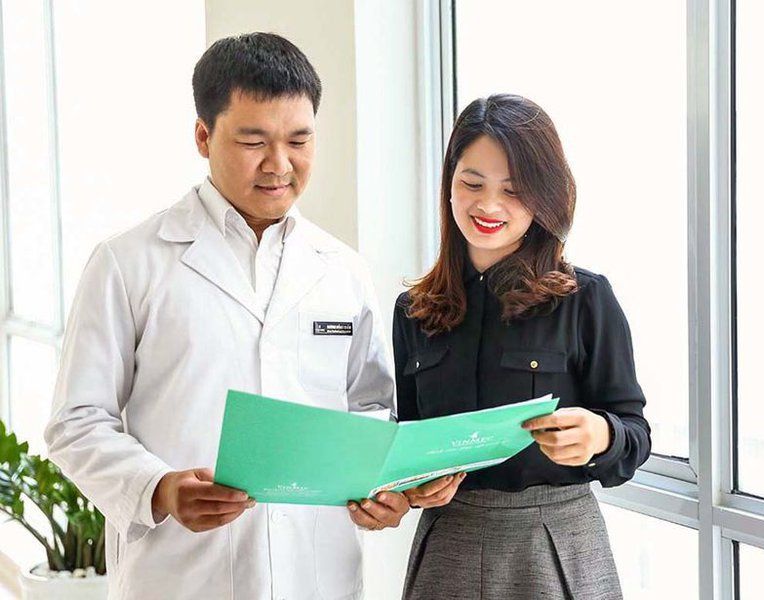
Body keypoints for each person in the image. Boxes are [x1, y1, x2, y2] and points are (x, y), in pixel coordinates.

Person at [45, 33, 410, 600]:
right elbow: (76, 421)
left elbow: (371, 407)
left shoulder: (344, 270)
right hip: (183, 578)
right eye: (253, 141)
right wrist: (159, 488)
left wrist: (384, 487)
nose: (279, 165)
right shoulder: (129, 262)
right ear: (203, 136)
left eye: (299, 140)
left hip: (317, 576)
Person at [394, 94, 651, 599]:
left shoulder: (586, 299)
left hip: (557, 542)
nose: (488, 206)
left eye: (513, 190)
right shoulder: (413, 311)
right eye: (472, 184)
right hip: (450, 540)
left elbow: (635, 432)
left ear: (543, 197)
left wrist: (601, 435)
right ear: (449, 185)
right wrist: (412, 486)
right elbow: (408, 441)